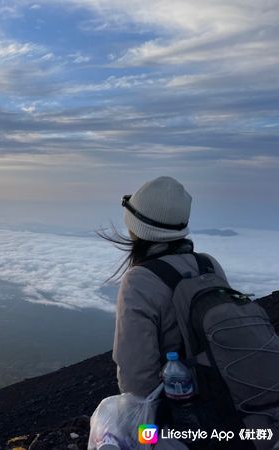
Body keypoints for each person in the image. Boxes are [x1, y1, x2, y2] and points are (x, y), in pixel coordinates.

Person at [98, 176, 278, 450]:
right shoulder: (209, 265)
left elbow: (135, 382)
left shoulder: (140, 280)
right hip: (246, 419)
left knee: (109, 428)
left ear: (136, 226)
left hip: (194, 429)